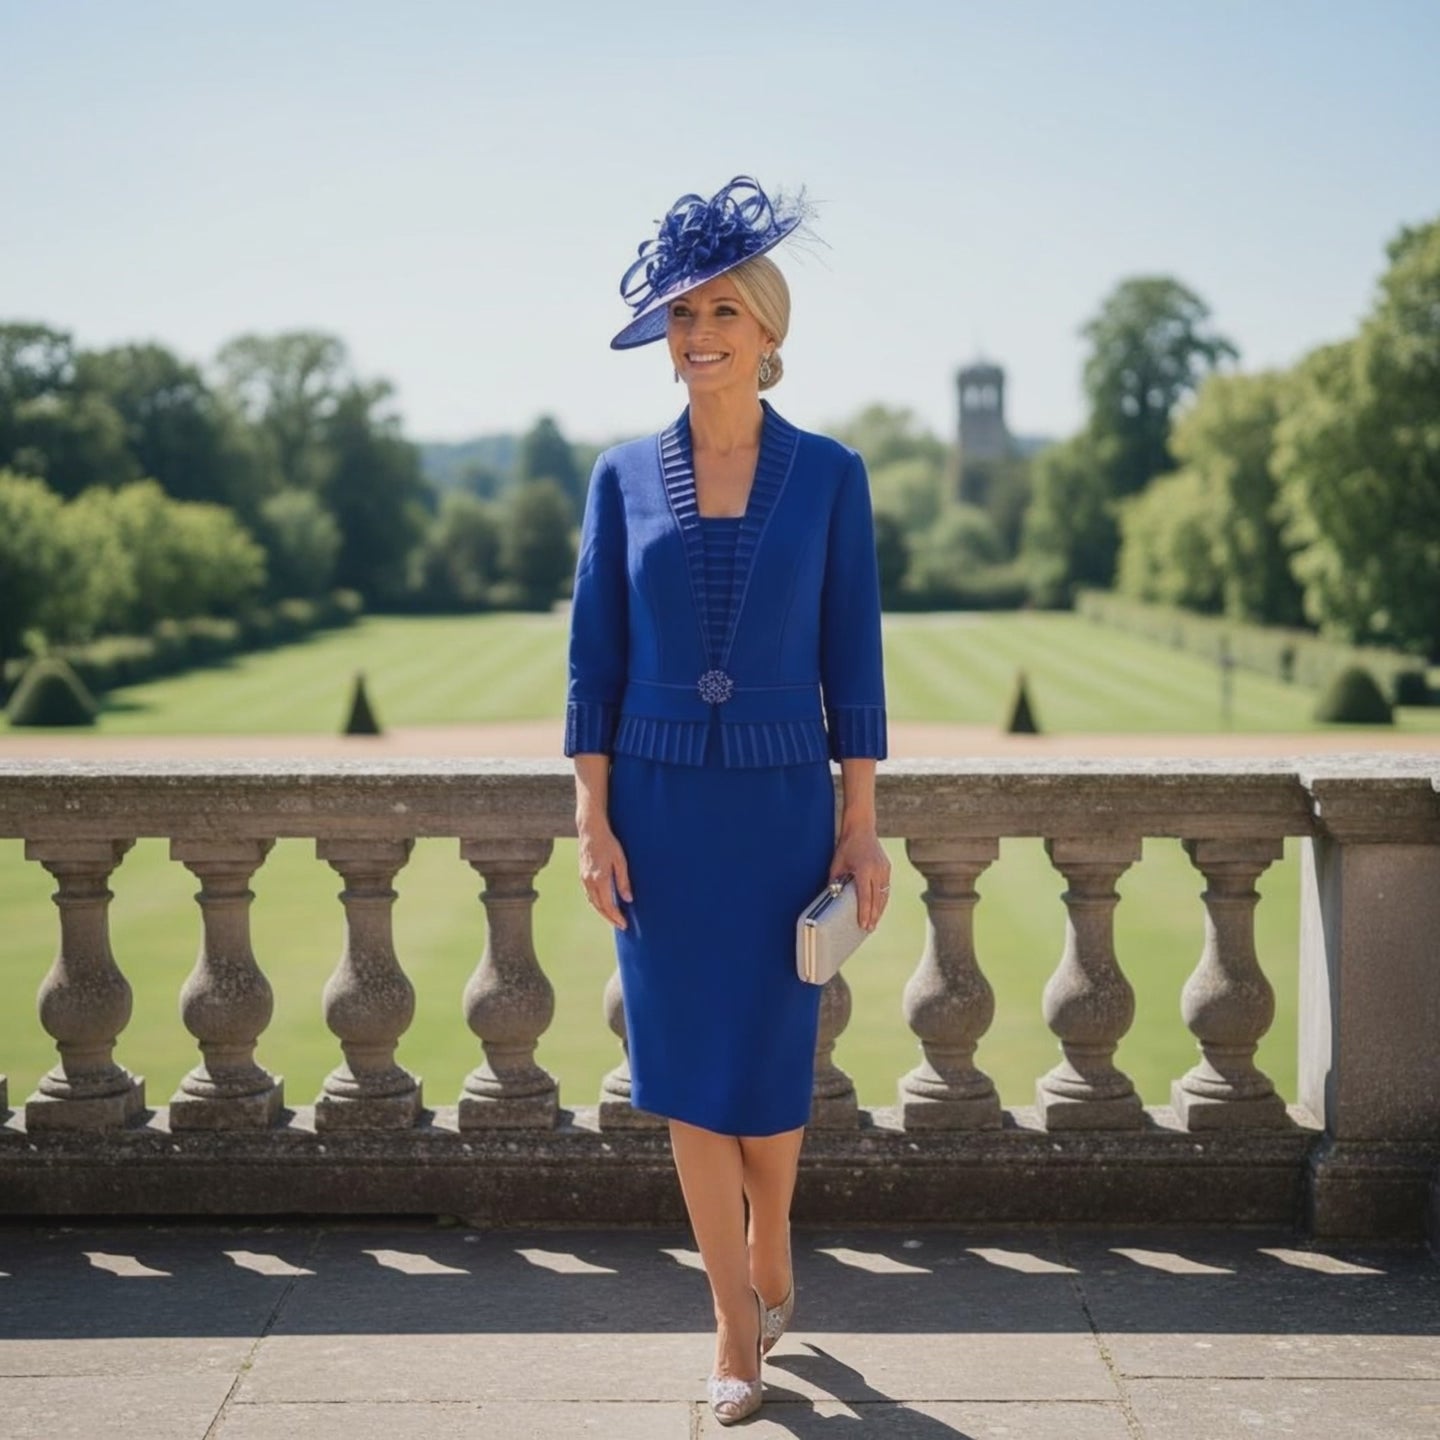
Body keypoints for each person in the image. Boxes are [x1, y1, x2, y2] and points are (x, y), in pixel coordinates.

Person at [565, 174, 890, 1426]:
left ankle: (775, 1241)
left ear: (767, 332)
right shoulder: (618, 477)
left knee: (768, 1066)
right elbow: (593, 660)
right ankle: (732, 1326)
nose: (696, 336)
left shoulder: (831, 476)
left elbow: (851, 660)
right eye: (681, 316)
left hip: (776, 808)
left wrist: (857, 822)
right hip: (654, 811)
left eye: (720, 314)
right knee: (686, 1074)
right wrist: (592, 814)